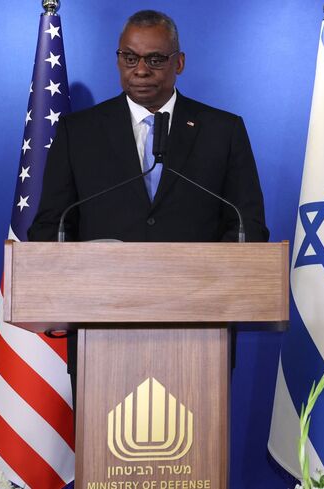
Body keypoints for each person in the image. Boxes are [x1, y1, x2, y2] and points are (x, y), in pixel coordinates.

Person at [28, 10, 269, 398]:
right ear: (119, 59)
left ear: (179, 63)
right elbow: (49, 227)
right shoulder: (79, 132)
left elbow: (248, 226)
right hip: (101, 333)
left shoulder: (223, 131)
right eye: (130, 57)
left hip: (199, 335)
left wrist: (202, 290)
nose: (140, 70)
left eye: (155, 59)